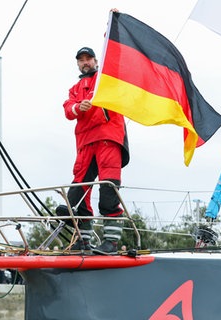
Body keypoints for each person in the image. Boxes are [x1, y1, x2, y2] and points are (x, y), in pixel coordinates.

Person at [61, 46, 130, 254]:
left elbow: (116, 60)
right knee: (80, 188)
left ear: (96, 60)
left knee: (108, 188)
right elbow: (67, 108)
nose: (85, 62)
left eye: (88, 58)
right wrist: (76, 107)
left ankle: (111, 242)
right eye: (81, 59)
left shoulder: (107, 78)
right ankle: (82, 241)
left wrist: (115, 25)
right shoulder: (75, 88)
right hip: (85, 143)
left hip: (108, 137)